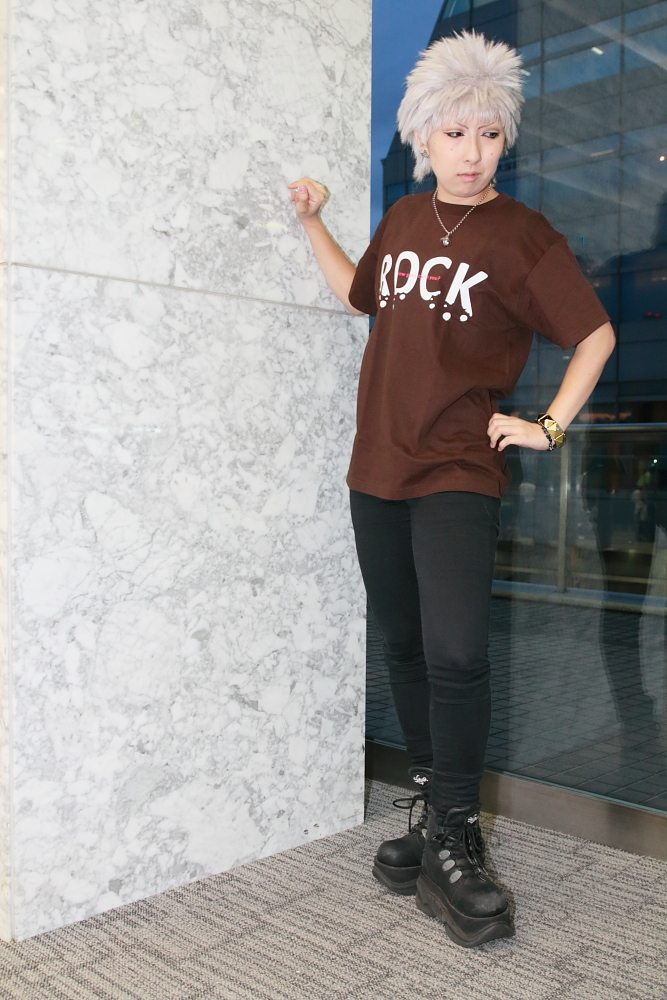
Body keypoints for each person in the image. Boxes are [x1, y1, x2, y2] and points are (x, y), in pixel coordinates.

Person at [288, 30, 615, 948]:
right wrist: (311, 222)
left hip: (457, 471)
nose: (472, 152)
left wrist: (546, 424)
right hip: (375, 466)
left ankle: (457, 836)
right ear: (423, 137)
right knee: (402, 645)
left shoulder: (523, 236)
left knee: (457, 652)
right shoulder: (401, 221)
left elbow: (593, 335)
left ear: (504, 138)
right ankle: (432, 816)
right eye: (454, 133)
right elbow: (358, 294)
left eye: (489, 133)